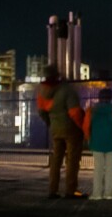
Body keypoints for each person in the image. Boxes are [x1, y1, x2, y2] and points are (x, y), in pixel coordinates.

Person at [36, 64, 88, 199]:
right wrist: (83, 127)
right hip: (71, 129)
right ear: (57, 75)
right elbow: (74, 112)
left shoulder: (42, 91)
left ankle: (52, 190)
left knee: (56, 160)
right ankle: (71, 190)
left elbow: (41, 112)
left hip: (55, 129)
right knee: (72, 160)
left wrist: (50, 123)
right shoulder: (67, 90)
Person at [83, 87, 112, 200]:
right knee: (110, 169)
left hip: (96, 143)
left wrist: (87, 137)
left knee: (98, 169)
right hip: (110, 142)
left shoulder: (91, 110)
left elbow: (86, 126)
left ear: (99, 98)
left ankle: (96, 194)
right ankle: (109, 193)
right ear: (111, 98)